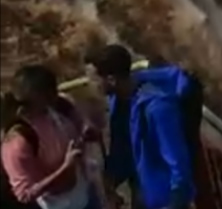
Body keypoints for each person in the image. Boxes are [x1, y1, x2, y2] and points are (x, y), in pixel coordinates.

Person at [85, 46, 197, 209]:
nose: (91, 85)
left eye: (94, 79)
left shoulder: (158, 109)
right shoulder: (118, 101)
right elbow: (125, 145)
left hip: (163, 200)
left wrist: (175, 203)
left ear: (111, 80)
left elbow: (178, 164)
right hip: (141, 189)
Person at [0, 65, 101, 209]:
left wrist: (87, 129)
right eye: (49, 95)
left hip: (86, 195)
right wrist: (65, 167)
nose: (55, 97)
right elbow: (24, 194)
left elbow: (80, 120)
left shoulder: (59, 105)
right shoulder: (18, 141)